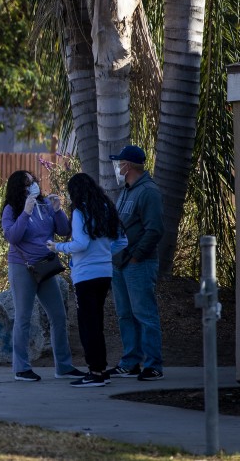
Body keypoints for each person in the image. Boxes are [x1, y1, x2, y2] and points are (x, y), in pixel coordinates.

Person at [1, 170, 85, 381]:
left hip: (45, 267)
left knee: (58, 316)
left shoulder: (45, 206)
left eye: (34, 182)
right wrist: (26, 212)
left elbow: (64, 230)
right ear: (18, 187)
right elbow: (12, 236)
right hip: (23, 267)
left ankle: (64, 367)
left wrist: (57, 211)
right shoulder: (12, 209)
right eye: (28, 183)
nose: (33, 186)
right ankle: (21, 368)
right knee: (23, 317)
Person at [47, 173, 128, 387]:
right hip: (104, 274)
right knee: (96, 322)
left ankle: (96, 372)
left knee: (87, 324)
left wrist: (58, 247)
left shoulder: (80, 211)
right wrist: (103, 253)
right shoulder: (105, 207)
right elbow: (122, 240)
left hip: (85, 275)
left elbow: (80, 244)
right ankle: (100, 367)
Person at [105, 145, 165, 381]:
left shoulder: (148, 192)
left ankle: (153, 365)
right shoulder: (127, 191)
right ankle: (130, 362)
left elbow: (155, 229)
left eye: (119, 163)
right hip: (120, 264)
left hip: (139, 264)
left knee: (145, 314)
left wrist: (137, 255)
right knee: (125, 314)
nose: (117, 167)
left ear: (128, 166)